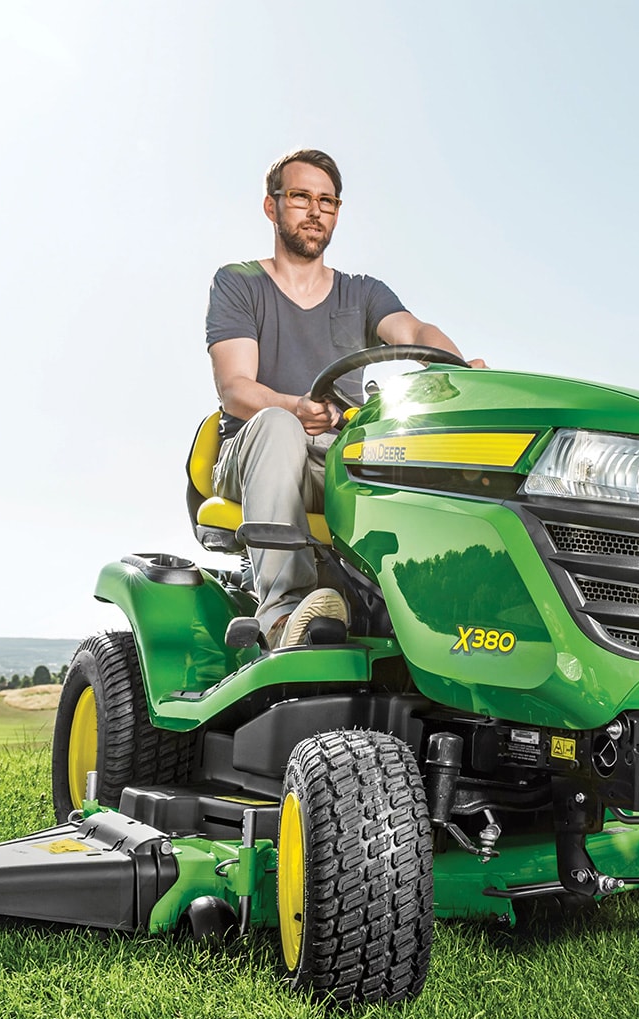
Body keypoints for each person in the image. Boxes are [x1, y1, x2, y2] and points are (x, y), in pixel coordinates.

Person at [206, 148, 483, 649]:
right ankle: (281, 615)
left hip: (339, 460)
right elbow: (235, 387)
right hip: (253, 452)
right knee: (276, 424)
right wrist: (294, 407)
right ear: (272, 207)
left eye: (327, 201)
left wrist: (460, 371)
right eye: (301, 197)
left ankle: (433, 621)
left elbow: (414, 330)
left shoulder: (362, 292)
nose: (316, 211)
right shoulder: (239, 283)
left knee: (417, 451)